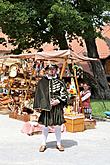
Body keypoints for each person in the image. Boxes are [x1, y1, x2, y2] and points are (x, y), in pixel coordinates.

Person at [33, 63, 68, 152]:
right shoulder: (41, 82)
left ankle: (59, 144)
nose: (52, 71)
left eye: (53, 69)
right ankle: (43, 144)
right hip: (46, 107)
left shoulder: (60, 82)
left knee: (58, 126)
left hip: (57, 107)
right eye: (50, 69)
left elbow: (65, 94)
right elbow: (39, 95)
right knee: (45, 126)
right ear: (47, 71)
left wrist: (58, 101)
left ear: (56, 70)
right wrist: (41, 105)